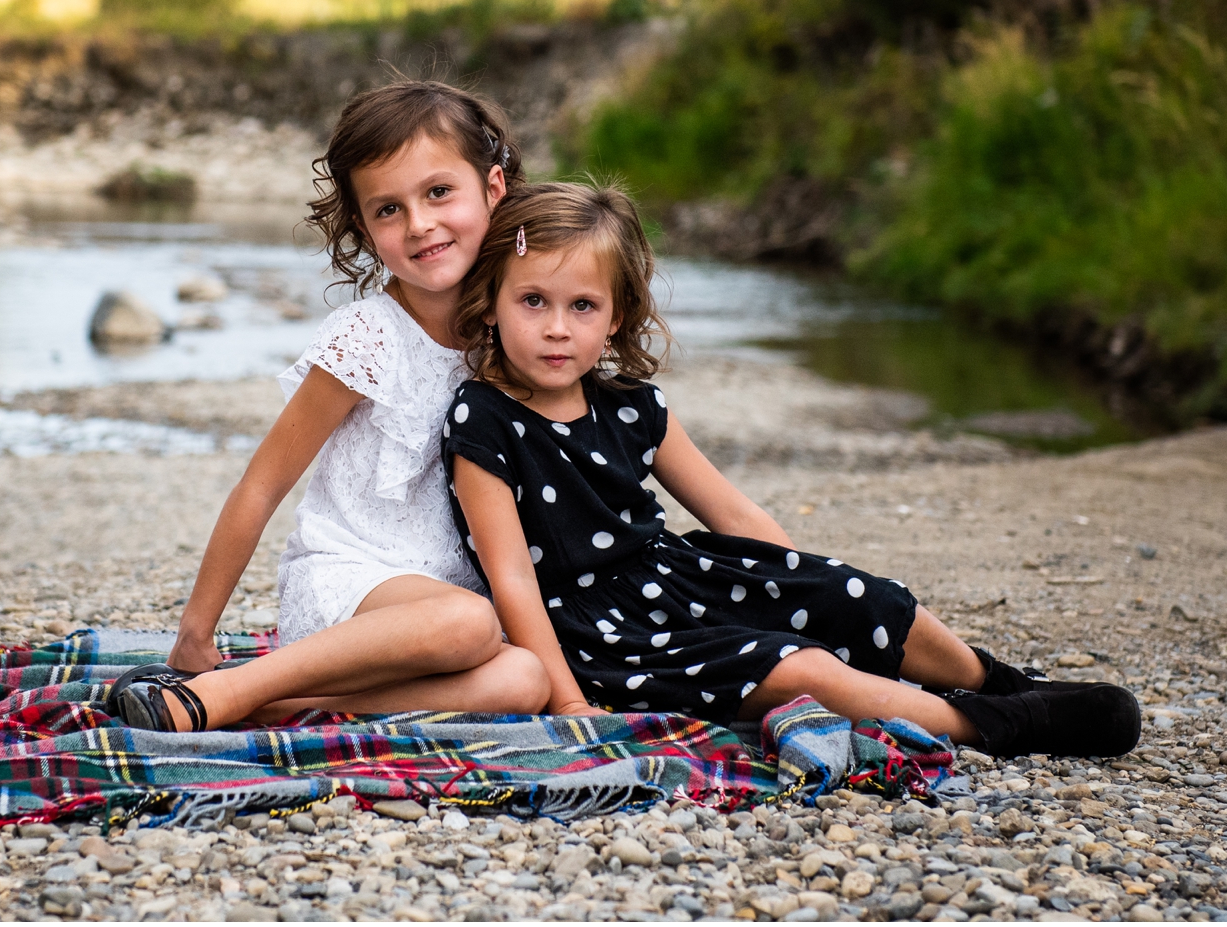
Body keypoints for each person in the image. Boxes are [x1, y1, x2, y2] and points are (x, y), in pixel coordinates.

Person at [441, 181, 1141, 757]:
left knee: (861, 596)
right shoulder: (485, 419)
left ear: (617, 317)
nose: (557, 327)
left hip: (678, 577)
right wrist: (567, 700)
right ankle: (995, 726)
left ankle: (998, 682)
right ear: (494, 302)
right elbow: (512, 579)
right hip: (596, 631)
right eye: (534, 301)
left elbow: (734, 514)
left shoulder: (629, 403)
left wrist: (803, 583)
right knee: (800, 667)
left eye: (582, 306)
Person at [105, 81, 551, 732]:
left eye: (437, 192)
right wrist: (194, 637)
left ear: (493, 187)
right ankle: (223, 685)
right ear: (365, 230)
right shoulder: (367, 338)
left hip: (446, 610)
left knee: (526, 677)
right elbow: (262, 485)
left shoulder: (518, 326)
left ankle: (258, 698)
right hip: (352, 582)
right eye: (388, 210)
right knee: (469, 621)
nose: (420, 224)